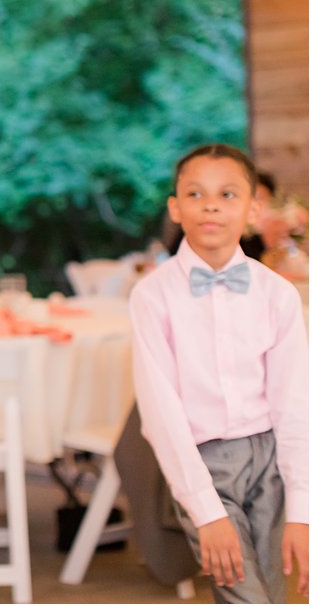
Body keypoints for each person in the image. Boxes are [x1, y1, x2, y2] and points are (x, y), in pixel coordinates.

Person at [131, 144, 308, 603]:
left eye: (228, 194)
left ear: (255, 208)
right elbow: (161, 413)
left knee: (271, 591)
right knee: (244, 595)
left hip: (270, 461)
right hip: (202, 463)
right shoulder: (153, 297)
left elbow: (295, 405)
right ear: (175, 207)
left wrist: (302, 512)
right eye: (196, 193)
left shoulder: (278, 295)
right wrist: (206, 512)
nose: (211, 204)